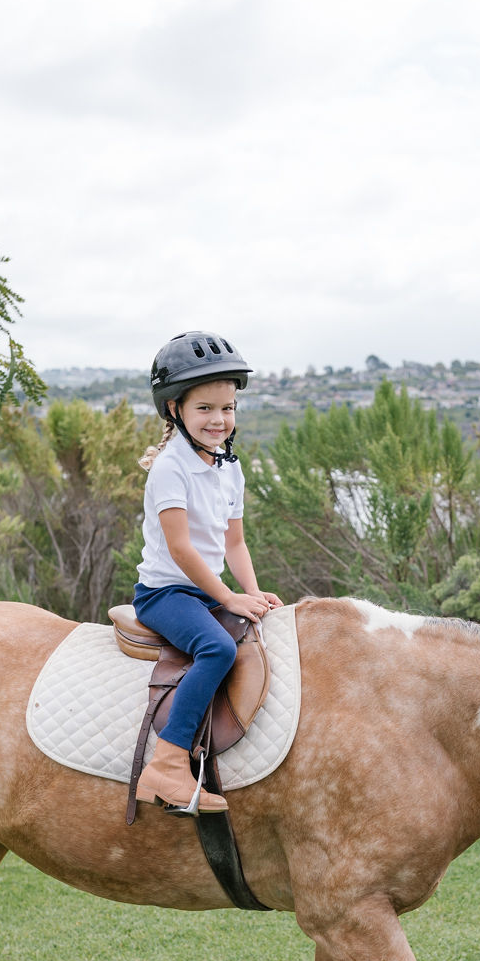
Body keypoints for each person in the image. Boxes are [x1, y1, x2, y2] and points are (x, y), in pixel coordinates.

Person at [133, 330, 282, 815]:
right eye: (205, 409)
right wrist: (229, 598)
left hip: (205, 592)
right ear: (174, 409)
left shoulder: (228, 467)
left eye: (228, 408)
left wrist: (254, 593)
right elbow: (181, 550)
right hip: (166, 593)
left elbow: (232, 542)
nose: (219, 419)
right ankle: (167, 766)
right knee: (216, 647)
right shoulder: (170, 470)